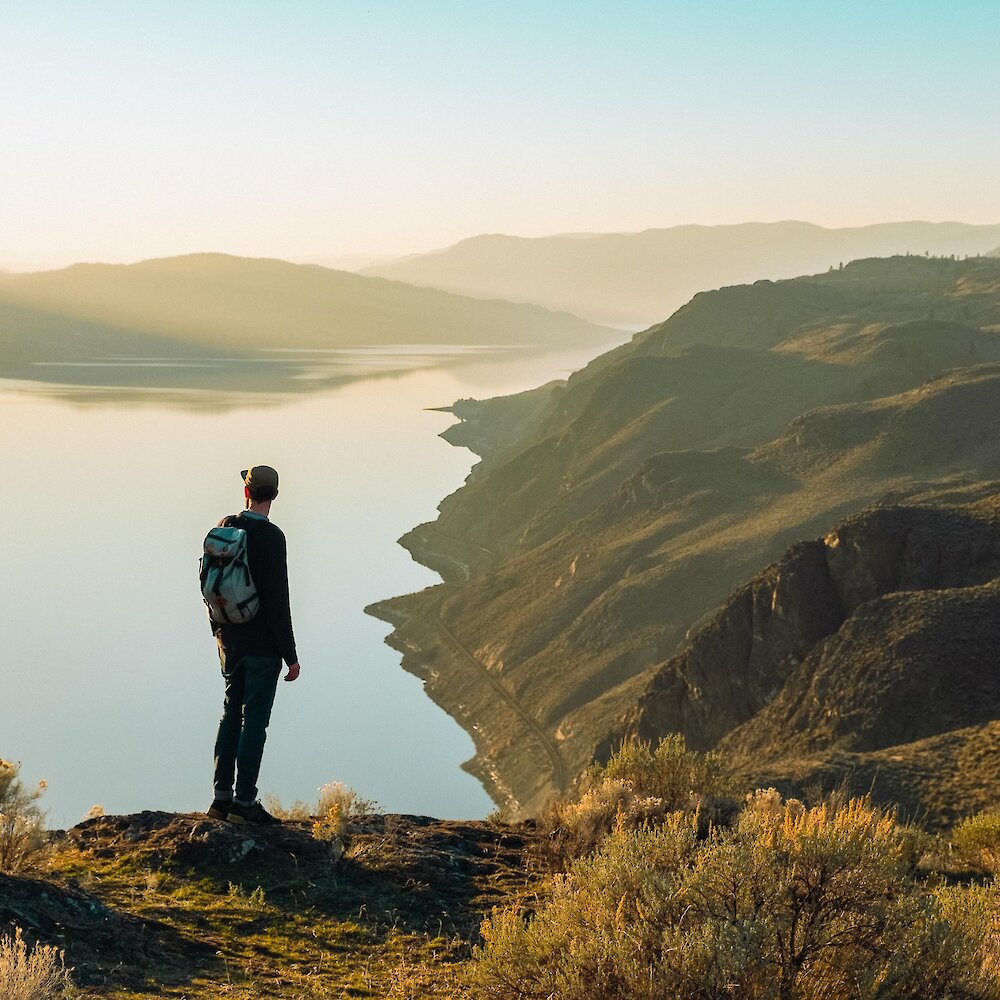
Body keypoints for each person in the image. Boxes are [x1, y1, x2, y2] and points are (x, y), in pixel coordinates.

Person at [207, 465, 300, 824]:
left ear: (247, 493)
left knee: (230, 715)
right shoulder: (272, 538)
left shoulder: (226, 525)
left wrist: (220, 634)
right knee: (254, 723)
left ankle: (220, 801)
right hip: (262, 647)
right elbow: (278, 602)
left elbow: (211, 585)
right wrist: (290, 656)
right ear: (272, 496)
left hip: (229, 640)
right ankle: (244, 805)